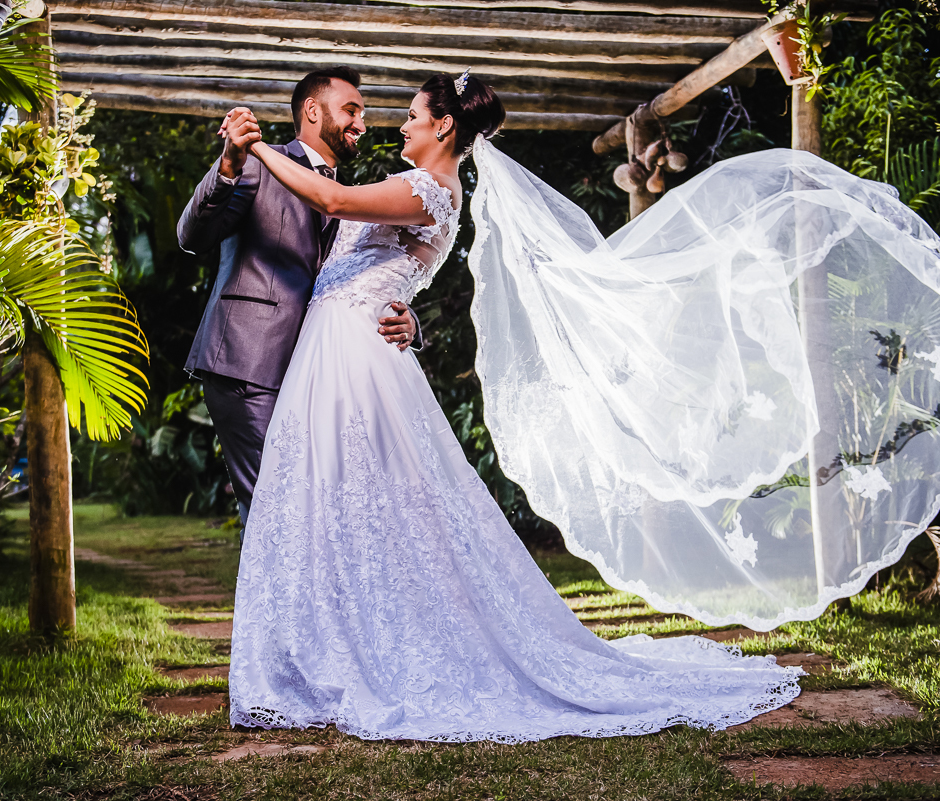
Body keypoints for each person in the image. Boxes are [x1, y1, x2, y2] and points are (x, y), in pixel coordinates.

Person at [219, 72, 817, 743]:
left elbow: (330, 199)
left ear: (444, 126)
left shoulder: (426, 189)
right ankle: (329, 648)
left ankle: (365, 652)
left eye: (414, 114)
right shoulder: (426, 190)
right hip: (339, 347)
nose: (403, 125)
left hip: (350, 358)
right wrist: (408, 317)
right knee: (338, 503)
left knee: (362, 501)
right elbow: (376, 264)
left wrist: (259, 145)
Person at [176, 66, 420, 518]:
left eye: (363, 114)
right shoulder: (257, 163)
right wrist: (228, 164)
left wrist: (409, 320)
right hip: (249, 363)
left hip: (314, 374)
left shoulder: (342, 194)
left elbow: (357, 277)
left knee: (312, 515)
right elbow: (191, 236)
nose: (361, 125)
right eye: (351, 110)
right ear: (312, 109)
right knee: (277, 510)